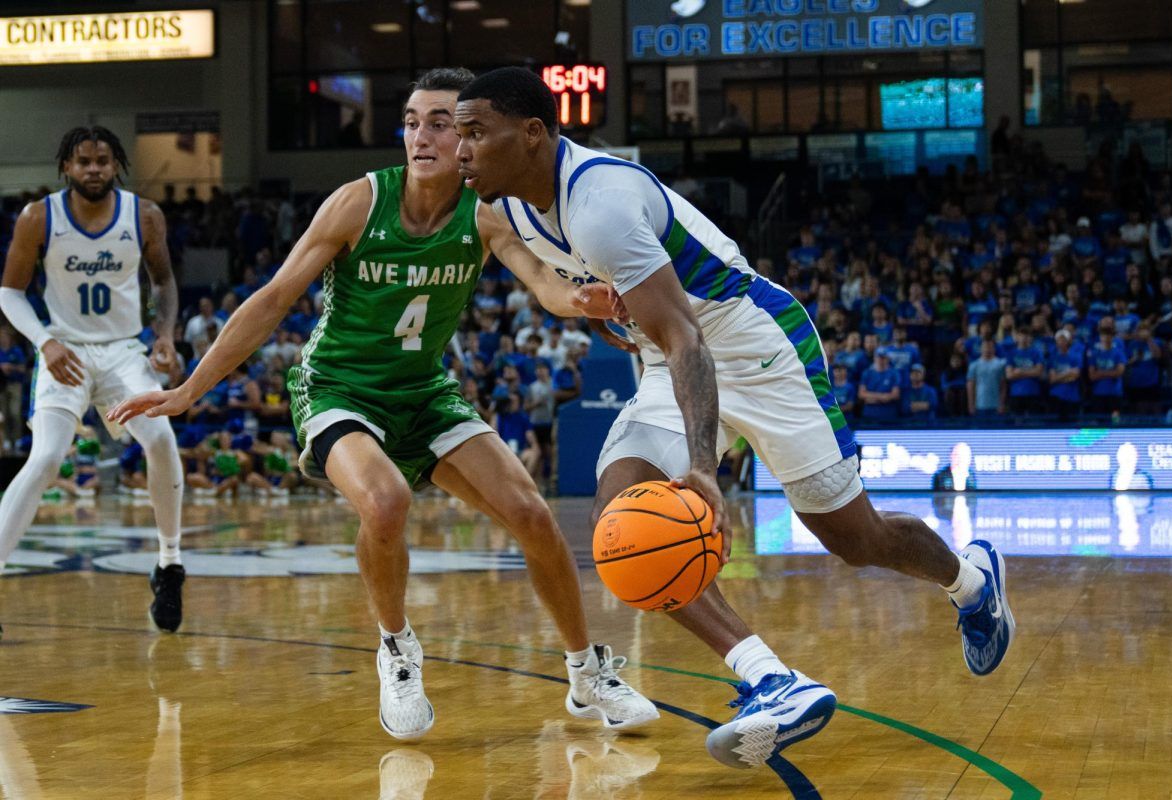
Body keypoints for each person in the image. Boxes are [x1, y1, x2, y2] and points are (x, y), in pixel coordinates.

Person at [454, 67, 1015, 769]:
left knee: (854, 537)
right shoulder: (509, 211)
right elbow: (647, 322)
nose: (460, 149)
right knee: (623, 521)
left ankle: (970, 583)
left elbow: (690, 335)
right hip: (667, 358)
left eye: (475, 132)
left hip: (753, 341)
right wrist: (611, 315)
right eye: (456, 133)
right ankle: (771, 679)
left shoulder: (597, 201)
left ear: (532, 133)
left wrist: (700, 464)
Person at [108, 69, 655, 741]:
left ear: (467, 139)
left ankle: (584, 672)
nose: (421, 136)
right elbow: (276, 298)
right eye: (411, 121)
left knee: (531, 514)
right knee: (387, 501)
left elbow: (543, 280)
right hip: (338, 386)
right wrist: (194, 387)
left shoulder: (486, 213)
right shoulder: (358, 202)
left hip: (424, 390)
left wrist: (584, 299)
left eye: (439, 123)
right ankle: (396, 648)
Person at [0, 126, 185, 639]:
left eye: (103, 160)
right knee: (44, 459)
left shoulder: (144, 215)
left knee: (162, 439)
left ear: (116, 164)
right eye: (84, 161)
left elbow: (164, 281)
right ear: (67, 167)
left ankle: (169, 565)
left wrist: (165, 333)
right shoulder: (39, 217)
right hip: (66, 350)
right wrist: (44, 342)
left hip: (125, 351)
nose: (94, 169)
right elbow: (9, 292)